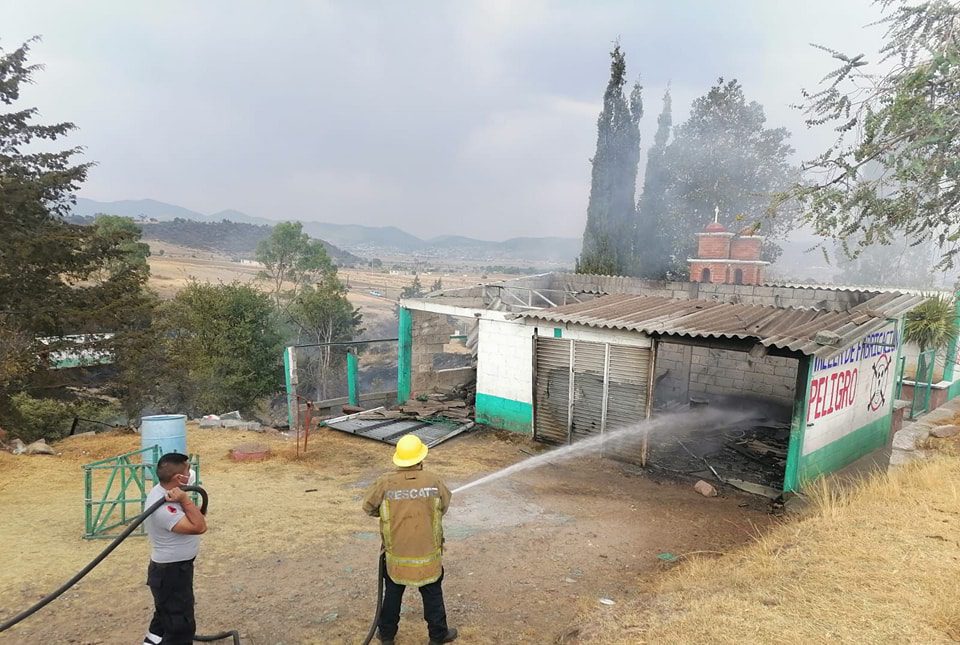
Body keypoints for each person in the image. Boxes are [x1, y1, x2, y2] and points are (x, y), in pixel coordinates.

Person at [362, 434, 457, 645]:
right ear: (421, 459)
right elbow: (444, 507)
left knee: (392, 596)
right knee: (432, 594)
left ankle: (386, 636)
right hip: (428, 555)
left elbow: (368, 507)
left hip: (396, 556)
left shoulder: (385, 483)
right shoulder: (433, 481)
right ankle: (438, 636)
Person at [142, 452, 207, 645]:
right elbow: (200, 527)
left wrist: (183, 501)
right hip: (171, 572)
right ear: (179, 478)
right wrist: (185, 500)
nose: (191, 472)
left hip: (171, 571)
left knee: (165, 617)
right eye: (188, 470)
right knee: (180, 625)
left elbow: (198, 517)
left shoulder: (165, 491)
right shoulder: (163, 507)